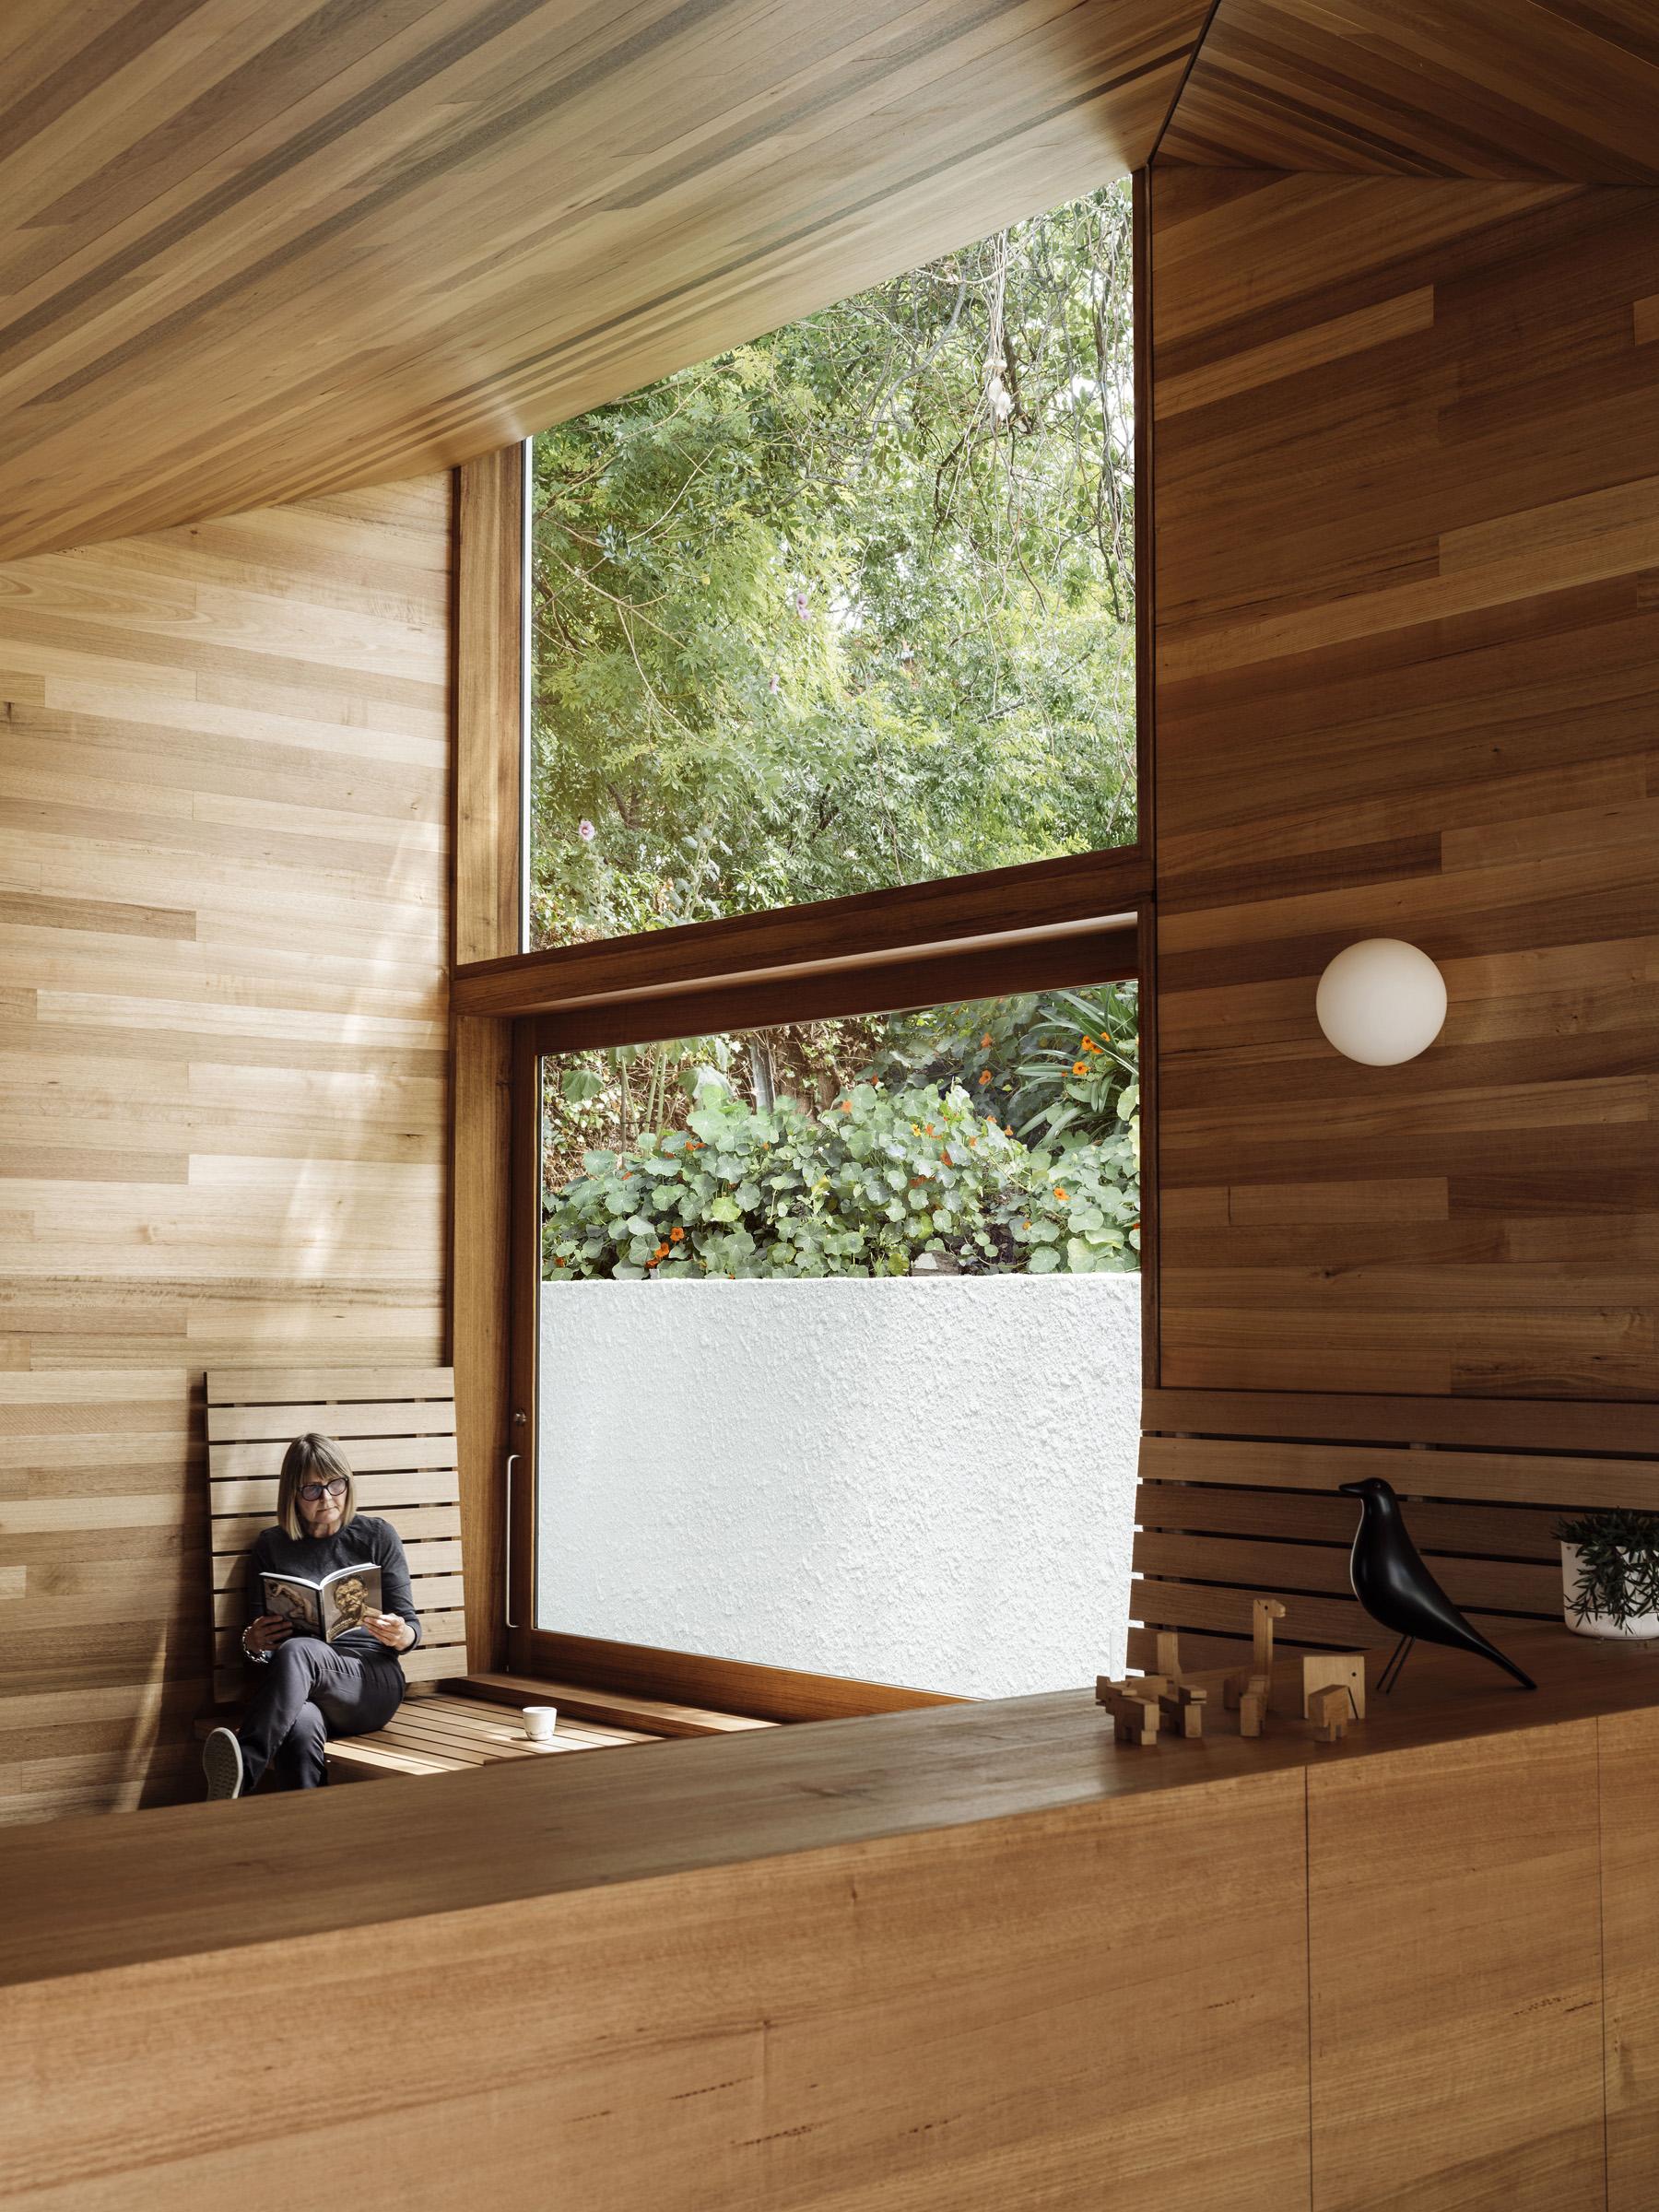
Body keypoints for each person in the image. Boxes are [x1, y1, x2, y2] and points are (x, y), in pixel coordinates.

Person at [202, 1433, 423, 1799]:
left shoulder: (377, 1536)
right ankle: (306, 1838)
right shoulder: (271, 1546)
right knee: (300, 1727)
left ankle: (245, 1764)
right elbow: (262, 1650)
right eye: (312, 1489)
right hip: (301, 1692)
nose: (327, 1498)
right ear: (292, 1494)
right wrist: (254, 1642)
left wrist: (401, 1635)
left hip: (370, 1683)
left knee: (298, 1650)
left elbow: (411, 1627)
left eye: (335, 1484)